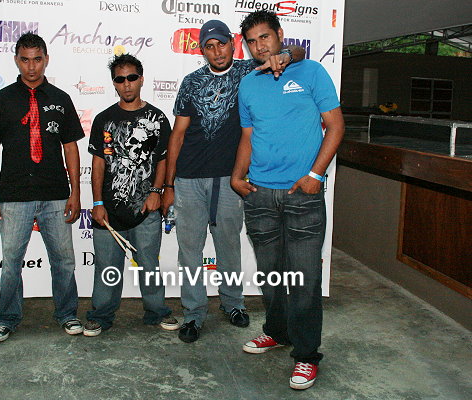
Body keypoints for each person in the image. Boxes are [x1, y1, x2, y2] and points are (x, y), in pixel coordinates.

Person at [161, 19, 304, 343]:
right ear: (203, 51)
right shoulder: (191, 82)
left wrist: (285, 56)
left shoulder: (250, 72)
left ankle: (233, 304)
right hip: (189, 178)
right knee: (190, 251)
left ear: (233, 43)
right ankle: (193, 313)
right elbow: (178, 135)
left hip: (230, 178)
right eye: (209, 46)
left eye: (222, 43)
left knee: (229, 245)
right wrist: (169, 185)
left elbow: (297, 51)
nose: (217, 51)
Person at [231, 11, 345, 390]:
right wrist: (237, 175)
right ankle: (277, 332)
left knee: (305, 279)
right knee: (271, 274)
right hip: (259, 194)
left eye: (265, 37)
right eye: (252, 41)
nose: (259, 46)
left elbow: (336, 126)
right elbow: (248, 136)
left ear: (280, 35)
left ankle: (307, 355)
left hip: (302, 195)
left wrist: (316, 175)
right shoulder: (248, 84)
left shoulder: (311, 72)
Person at [0, 33, 84, 343]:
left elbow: (71, 148)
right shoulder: (2, 99)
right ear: (16, 60)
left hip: (55, 193)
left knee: (63, 261)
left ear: (46, 60)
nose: (31, 67)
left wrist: (75, 192)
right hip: (14, 195)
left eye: (37, 59)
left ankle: (67, 314)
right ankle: (6, 319)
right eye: (25, 60)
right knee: (11, 263)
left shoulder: (61, 98)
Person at [84, 54, 179, 337]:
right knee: (106, 268)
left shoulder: (157, 118)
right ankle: (101, 315)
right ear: (114, 83)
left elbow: (163, 159)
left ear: (141, 79)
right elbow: (98, 163)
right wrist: (97, 202)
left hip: (145, 208)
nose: (126, 84)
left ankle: (157, 311)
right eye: (120, 79)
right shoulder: (104, 119)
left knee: (149, 265)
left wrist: (156, 192)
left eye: (132, 78)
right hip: (108, 210)